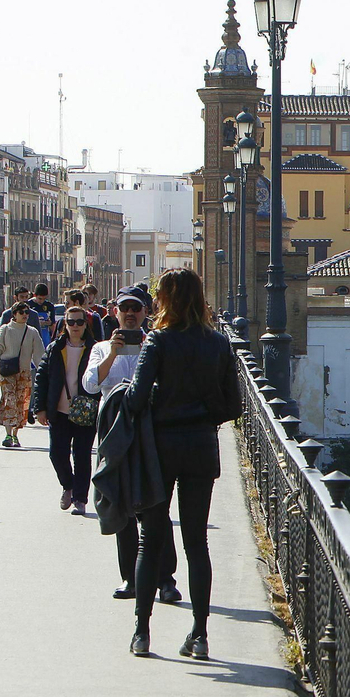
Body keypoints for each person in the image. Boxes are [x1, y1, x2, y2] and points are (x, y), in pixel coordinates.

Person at [125, 268, 238, 658]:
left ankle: (142, 633)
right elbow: (233, 406)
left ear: (167, 300)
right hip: (201, 447)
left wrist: (158, 399)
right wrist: (202, 414)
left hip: (160, 449)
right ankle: (200, 635)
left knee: (150, 540)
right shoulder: (219, 343)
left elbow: (135, 399)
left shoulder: (158, 340)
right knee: (196, 543)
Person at [86, 286, 178, 600]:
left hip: (150, 432)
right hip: (113, 432)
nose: (129, 314)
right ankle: (131, 578)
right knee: (119, 501)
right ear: (115, 312)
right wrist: (112, 352)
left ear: (145, 313)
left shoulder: (155, 344)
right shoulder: (100, 347)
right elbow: (90, 384)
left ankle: (166, 579)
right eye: (124, 308)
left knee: (156, 504)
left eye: (135, 309)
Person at [31, 307, 99, 513]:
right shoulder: (55, 348)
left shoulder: (95, 349)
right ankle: (68, 485)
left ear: (86, 325)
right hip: (59, 411)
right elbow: (41, 379)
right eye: (71, 322)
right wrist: (39, 408)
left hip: (85, 411)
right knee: (57, 454)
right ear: (65, 324)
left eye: (79, 322)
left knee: (82, 455)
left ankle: (80, 499)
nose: (75, 326)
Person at [0, 302, 45, 448]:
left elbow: (39, 355)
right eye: (21, 313)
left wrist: (44, 373)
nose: (25, 315)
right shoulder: (6, 329)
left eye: (26, 312)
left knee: (21, 404)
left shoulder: (32, 332)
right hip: (7, 372)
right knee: (10, 401)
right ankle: (8, 434)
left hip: (24, 373)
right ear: (14, 314)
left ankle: (15, 435)